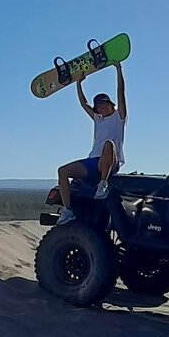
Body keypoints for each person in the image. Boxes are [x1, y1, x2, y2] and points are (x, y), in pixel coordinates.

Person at [56, 62, 127, 225]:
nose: (101, 108)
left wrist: (118, 69)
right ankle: (67, 211)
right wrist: (78, 84)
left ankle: (103, 184)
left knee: (108, 144)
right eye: (98, 106)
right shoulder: (98, 119)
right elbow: (83, 104)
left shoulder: (119, 118)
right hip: (93, 161)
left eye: (103, 104)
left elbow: (121, 92)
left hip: (109, 162)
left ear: (110, 105)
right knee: (62, 171)